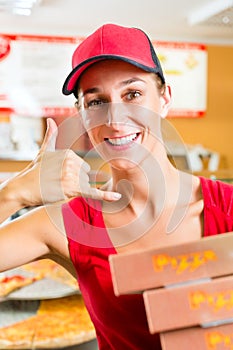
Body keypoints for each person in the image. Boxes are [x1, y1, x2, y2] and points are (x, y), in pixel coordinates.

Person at [0, 23, 233, 349]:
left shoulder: (228, 207)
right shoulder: (65, 225)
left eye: (133, 94)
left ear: (164, 99)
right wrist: (14, 193)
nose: (115, 117)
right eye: (96, 102)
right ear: (81, 115)